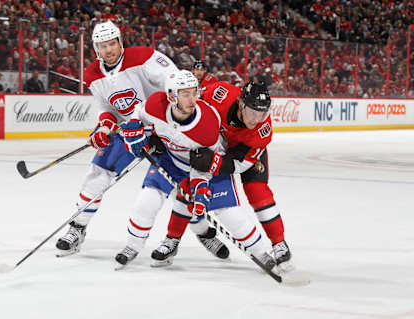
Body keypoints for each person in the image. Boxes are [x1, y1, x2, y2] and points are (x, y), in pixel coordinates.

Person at [55, 21, 228, 265]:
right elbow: (107, 108)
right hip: (130, 132)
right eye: (103, 46)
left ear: (120, 42)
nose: (109, 50)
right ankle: (77, 228)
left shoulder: (144, 57)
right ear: (96, 49)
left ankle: (203, 232)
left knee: (186, 186)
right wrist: (104, 126)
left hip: (164, 130)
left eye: (112, 43)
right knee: (98, 173)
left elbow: (176, 83)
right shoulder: (93, 74)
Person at [120, 70, 276, 270]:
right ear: (171, 96)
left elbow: (211, 163)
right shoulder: (156, 104)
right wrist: (137, 129)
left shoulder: (208, 124)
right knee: (148, 200)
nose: (192, 99)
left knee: (227, 212)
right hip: (169, 159)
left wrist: (201, 183)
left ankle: (260, 253)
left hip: (200, 165)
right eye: (185, 94)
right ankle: (135, 246)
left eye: (194, 93)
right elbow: (140, 114)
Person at [189, 81, 294, 272]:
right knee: (193, 191)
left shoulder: (262, 130)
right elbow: (191, 106)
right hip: (216, 145)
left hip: (242, 154)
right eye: (253, 112)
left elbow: (238, 164)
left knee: (257, 191)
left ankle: (279, 243)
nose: (257, 119)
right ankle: (202, 232)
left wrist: (213, 162)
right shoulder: (219, 93)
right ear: (240, 103)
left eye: (262, 113)